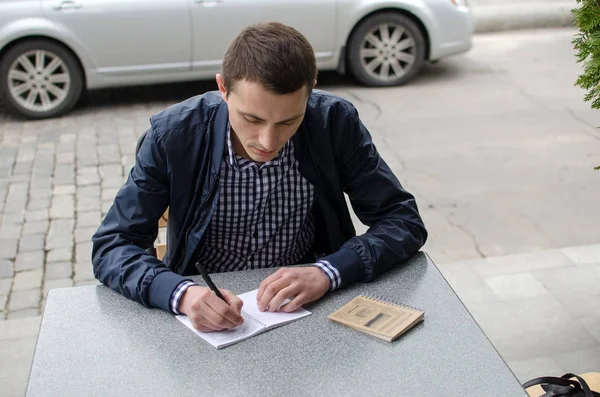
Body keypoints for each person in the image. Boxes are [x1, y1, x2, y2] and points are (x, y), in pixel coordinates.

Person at [91, 22, 427, 333]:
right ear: (223, 87)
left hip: (306, 307)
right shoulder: (175, 134)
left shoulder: (333, 123)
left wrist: (328, 271)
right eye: (252, 118)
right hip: (206, 302)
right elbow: (113, 245)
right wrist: (181, 293)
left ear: (311, 91)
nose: (268, 142)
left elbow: (403, 221)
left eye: (287, 122)